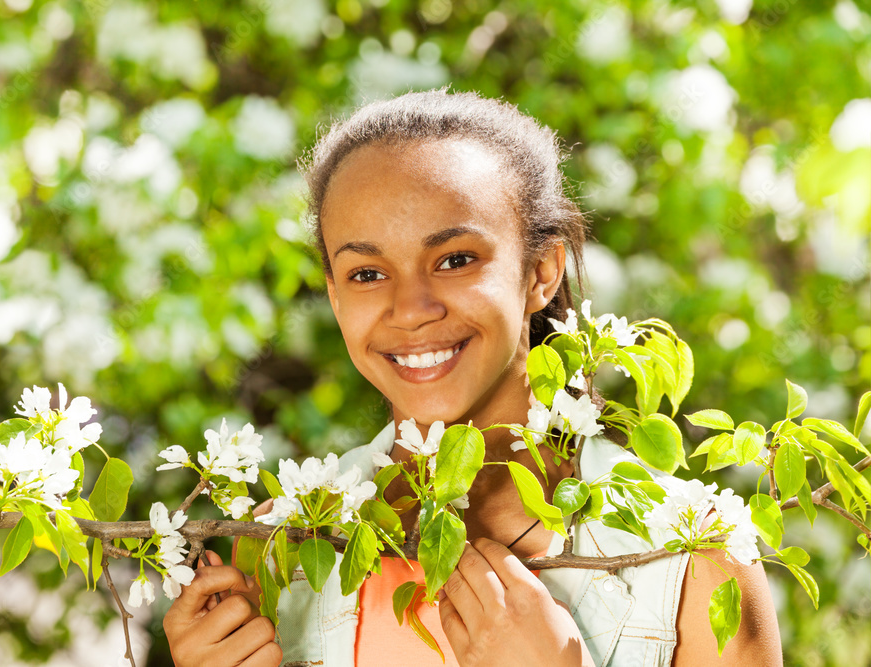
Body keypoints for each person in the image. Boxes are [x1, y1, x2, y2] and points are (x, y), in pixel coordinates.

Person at [163, 88, 782, 666]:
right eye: (366, 273)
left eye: (455, 260)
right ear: (332, 293)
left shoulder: (695, 561)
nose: (410, 308)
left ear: (541, 270)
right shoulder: (278, 549)